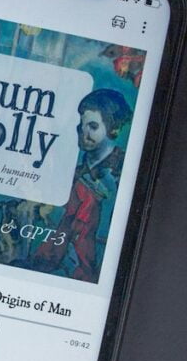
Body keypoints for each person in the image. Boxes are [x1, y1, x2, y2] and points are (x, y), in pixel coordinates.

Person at [31, 88, 132, 281]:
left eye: (93, 127)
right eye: (81, 126)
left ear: (114, 129)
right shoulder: (77, 172)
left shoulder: (121, 172)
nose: (83, 133)